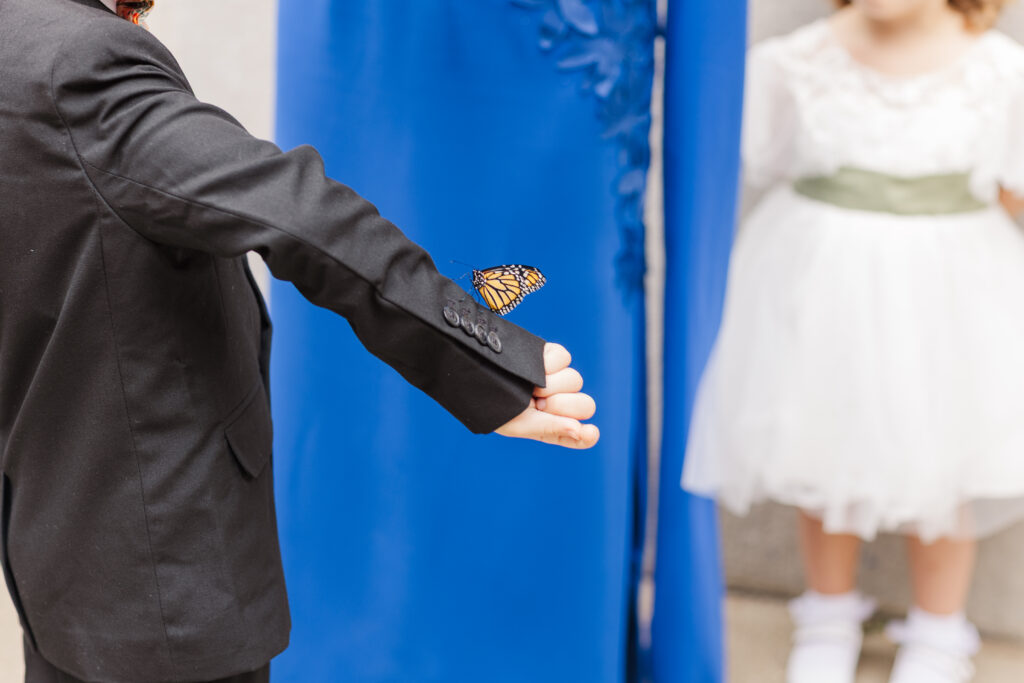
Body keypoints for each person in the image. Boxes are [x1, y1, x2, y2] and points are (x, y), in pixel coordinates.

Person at [0, 0, 600, 681]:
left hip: (53, 559)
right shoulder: (82, 66)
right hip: (167, 583)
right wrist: (485, 356)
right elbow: (298, 213)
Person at [681, 0, 1024, 681]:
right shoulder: (796, 63)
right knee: (820, 444)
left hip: (948, 303)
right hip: (823, 292)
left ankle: (938, 629)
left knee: (943, 455)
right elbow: (754, 160)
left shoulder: (999, 71)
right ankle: (827, 612)